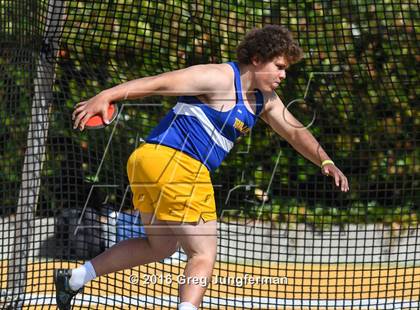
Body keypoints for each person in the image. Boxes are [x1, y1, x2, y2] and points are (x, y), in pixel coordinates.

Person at [54, 25, 349, 310]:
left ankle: (75, 278)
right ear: (257, 59)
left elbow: (296, 131)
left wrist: (325, 160)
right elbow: (159, 83)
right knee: (203, 254)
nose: (284, 75)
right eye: (280, 66)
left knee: (160, 247)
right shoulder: (218, 76)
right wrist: (106, 95)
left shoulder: (265, 100)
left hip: (147, 161)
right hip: (178, 165)